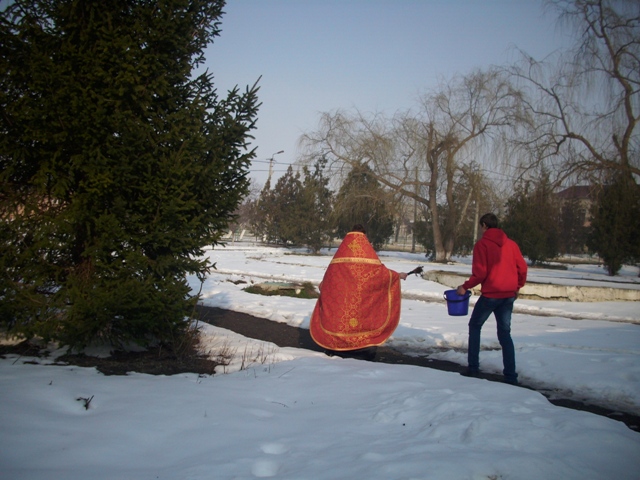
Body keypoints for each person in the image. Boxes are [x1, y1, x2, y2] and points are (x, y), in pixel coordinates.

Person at [310, 224, 408, 360]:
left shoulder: (341, 255)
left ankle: (337, 348)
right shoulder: (366, 254)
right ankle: (360, 348)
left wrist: (325, 287)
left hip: (342, 304)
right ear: (364, 235)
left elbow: (329, 279)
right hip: (359, 304)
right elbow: (379, 274)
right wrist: (397, 276)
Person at [456, 213, 528, 385]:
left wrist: (465, 286)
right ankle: (510, 375)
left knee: (475, 326)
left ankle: (473, 368)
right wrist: (517, 286)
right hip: (508, 295)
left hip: (491, 295)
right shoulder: (511, 244)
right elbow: (522, 268)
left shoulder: (482, 245)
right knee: (505, 334)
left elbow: (480, 273)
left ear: (484, 225)